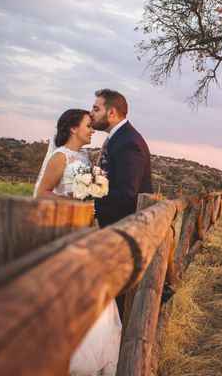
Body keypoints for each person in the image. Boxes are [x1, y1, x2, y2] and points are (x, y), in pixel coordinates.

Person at [34, 109, 121, 376]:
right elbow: (42, 193)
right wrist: (73, 202)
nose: (92, 130)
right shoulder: (60, 156)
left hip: (85, 230)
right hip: (63, 231)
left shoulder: (84, 156)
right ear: (73, 128)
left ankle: (91, 352)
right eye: (87, 125)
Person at [90, 89, 153, 317]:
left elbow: (127, 194)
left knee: (115, 298)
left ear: (112, 111)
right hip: (113, 229)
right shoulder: (118, 138)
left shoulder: (128, 142)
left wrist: (93, 207)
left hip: (122, 231)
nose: (91, 113)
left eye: (96, 109)